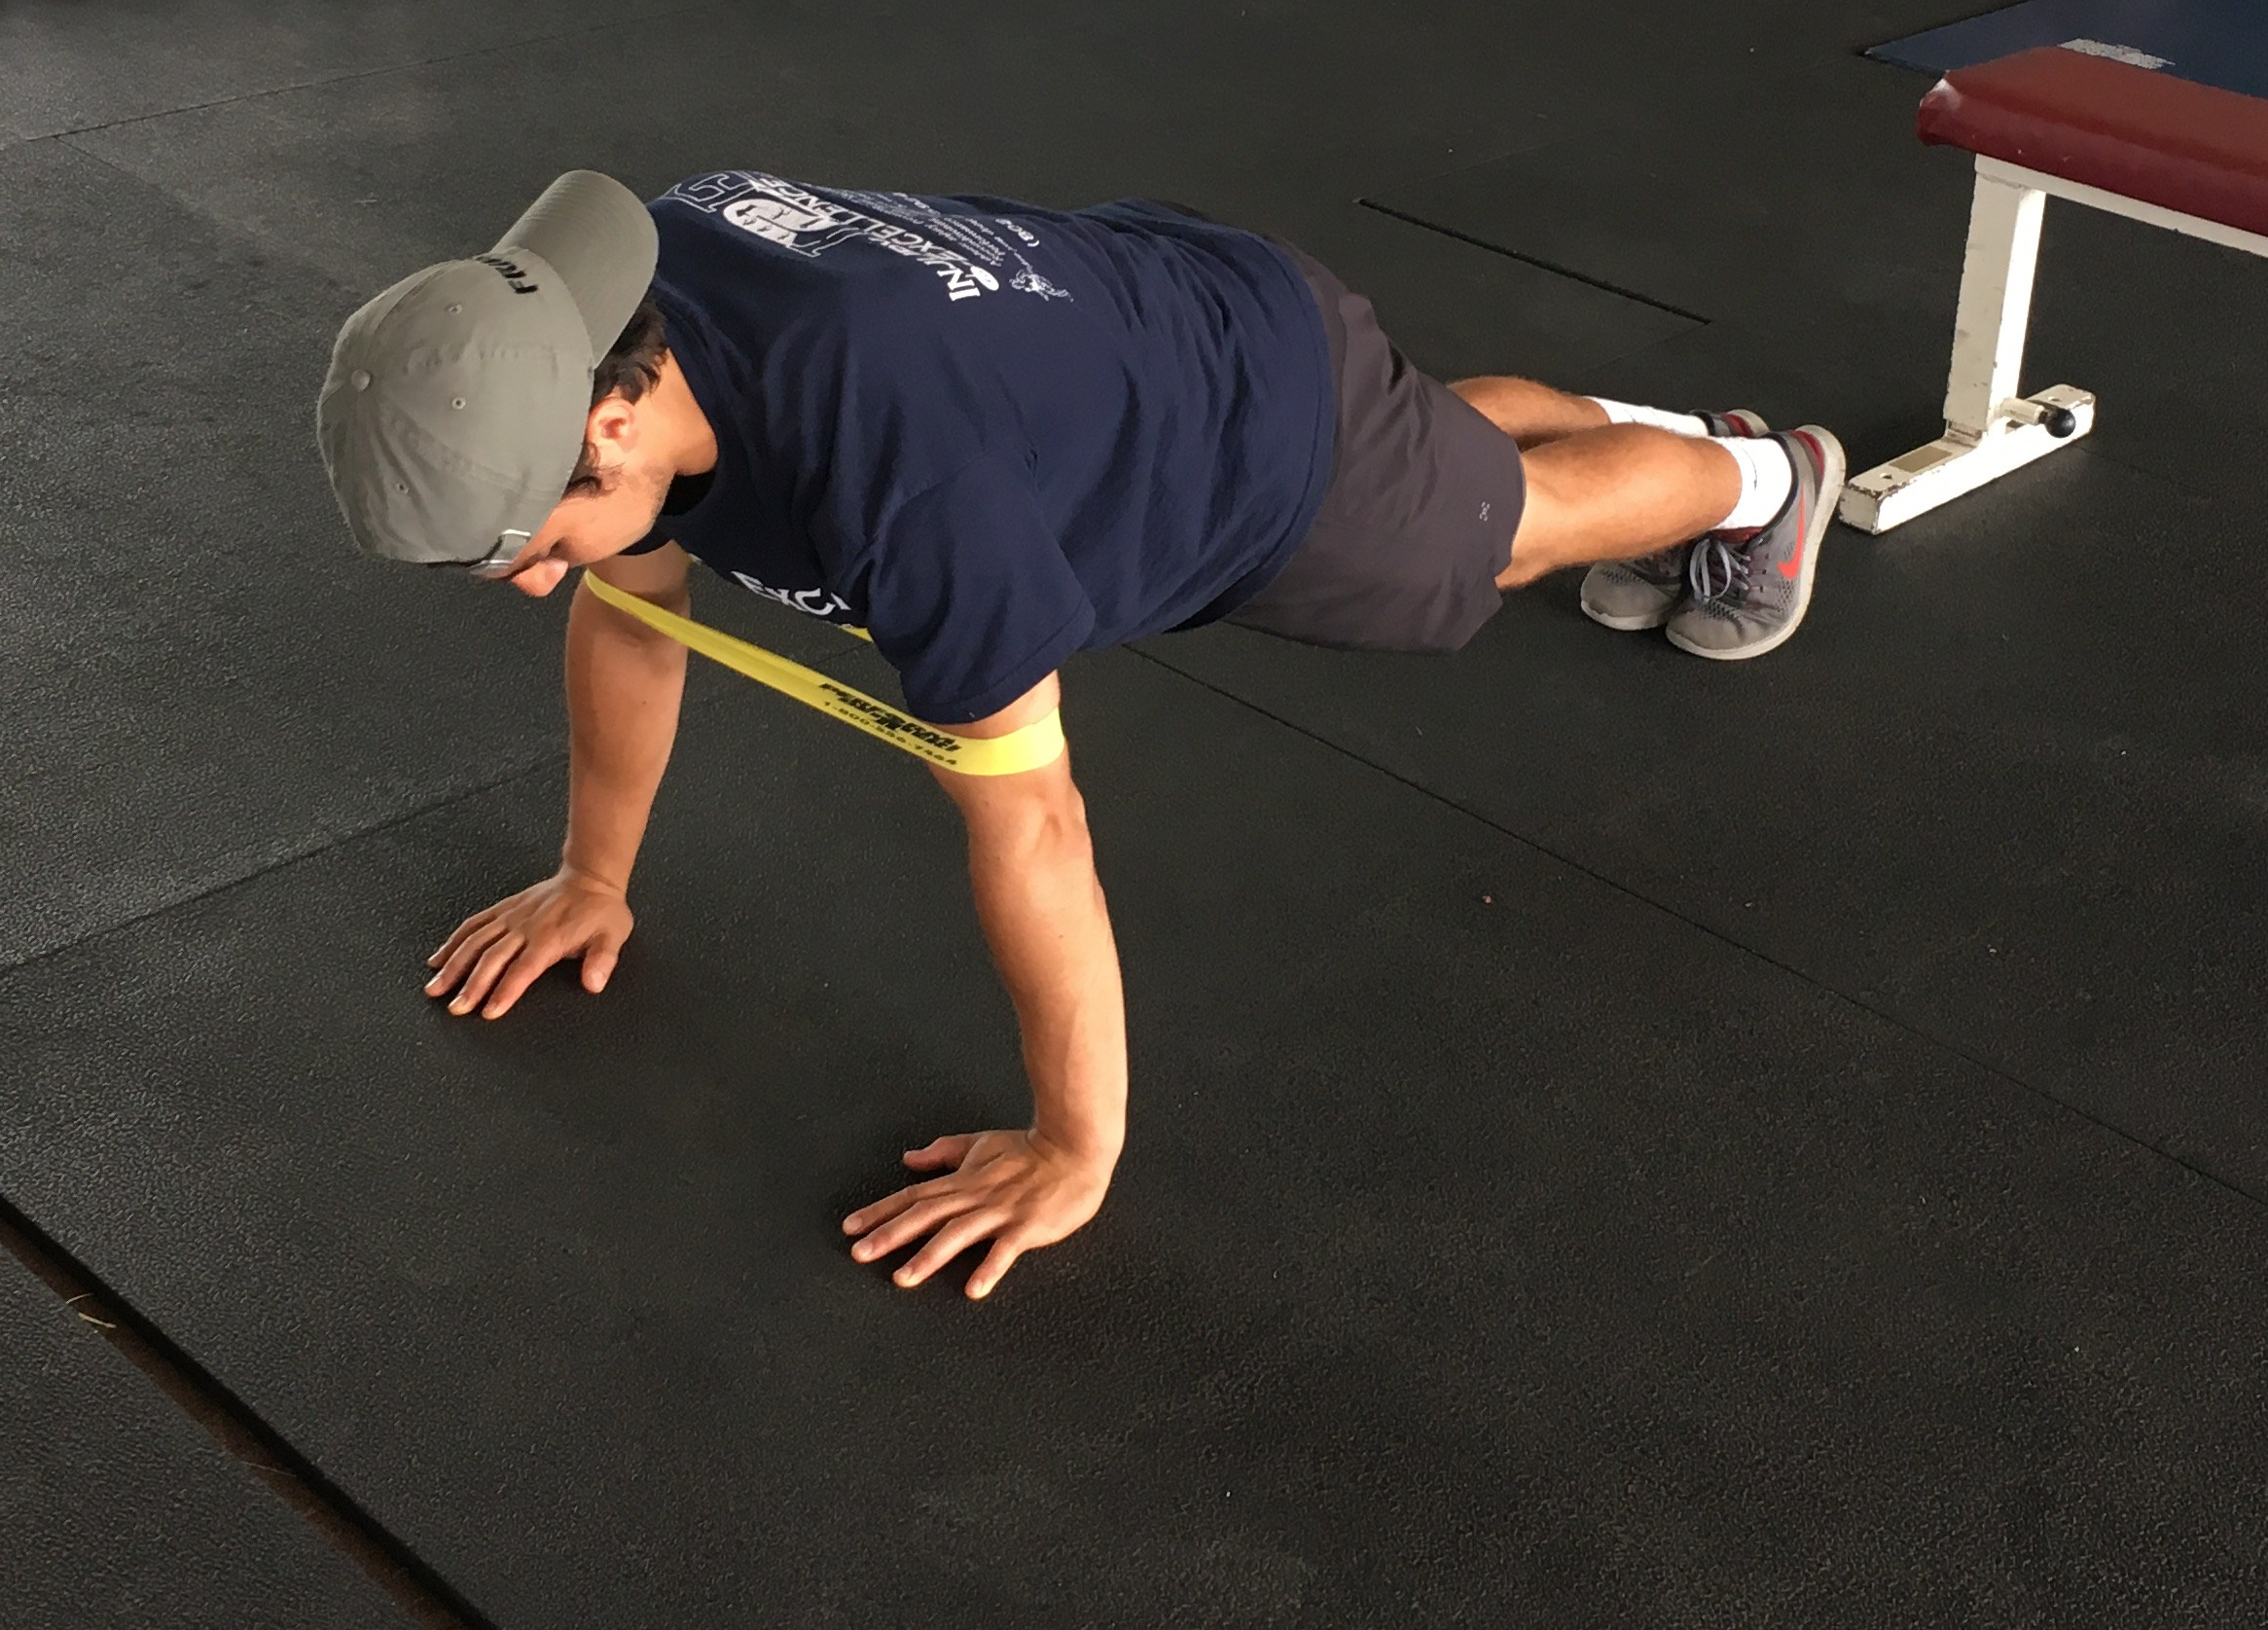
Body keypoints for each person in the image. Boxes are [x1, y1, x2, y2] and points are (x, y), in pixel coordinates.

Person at [317, 169, 1844, 1300]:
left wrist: (1072, 1148)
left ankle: (1768, 484)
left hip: (1253, 434)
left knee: (1506, 536)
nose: (537, 581)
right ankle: (1572, 443)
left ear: (608, 429)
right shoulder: (620, 312)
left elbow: (1034, 823)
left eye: (532, 547)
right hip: (1143, 301)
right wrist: (592, 876)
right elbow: (634, 603)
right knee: (1429, 447)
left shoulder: (908, 493)